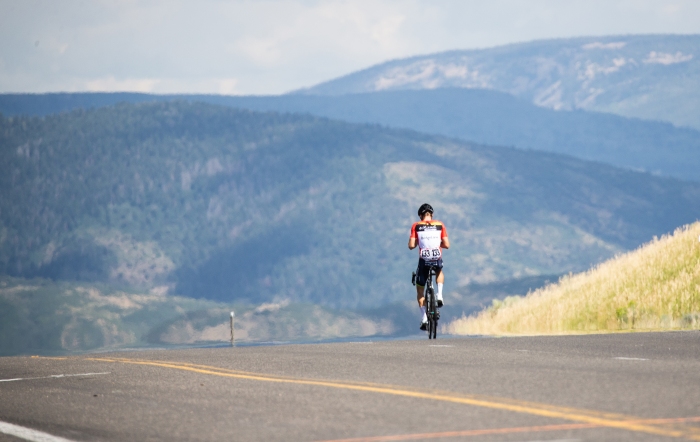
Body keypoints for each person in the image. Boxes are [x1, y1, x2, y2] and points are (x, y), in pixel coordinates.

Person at [408, 203, 450, 330]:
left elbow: (411, 246)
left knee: (420, 290)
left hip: (424, 260)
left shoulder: (416, 225)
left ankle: (424, 318)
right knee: (439, 271)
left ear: (421, 215)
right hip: (436, 258)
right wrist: (438, 244)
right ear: (431, 215)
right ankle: (440, 295)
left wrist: (418, 242)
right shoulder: (440, 225)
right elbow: (447, 245)